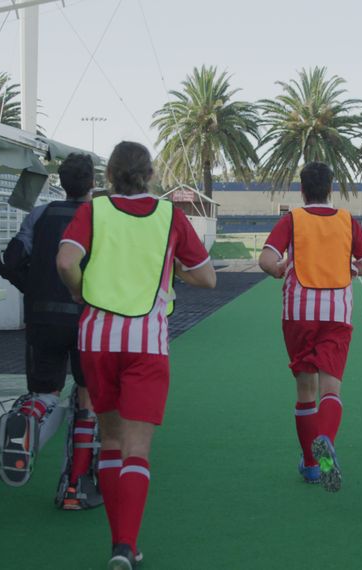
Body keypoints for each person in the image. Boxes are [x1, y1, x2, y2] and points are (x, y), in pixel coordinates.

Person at [57, 141, 216, 570]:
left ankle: (118, 541)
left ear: (108, 177)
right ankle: (126, 545)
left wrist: (80, 290)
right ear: (149, 175)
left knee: (110, 440)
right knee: (137, 449)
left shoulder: (94, 211)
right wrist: (175, 269)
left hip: (97, 340)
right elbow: (207, 278)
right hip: (146, 342)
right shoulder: (170, 217)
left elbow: (66, 260)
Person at [0, 153, 103, 509]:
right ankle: (74, 489)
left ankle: (28, 417)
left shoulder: (39, 215)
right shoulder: (101, 219)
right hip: (87, 319)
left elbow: (9, 262)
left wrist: (34, 288)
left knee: (44, 390)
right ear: (93, 184)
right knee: (87, 398)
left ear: (61, 181)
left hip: (42, 318)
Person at [258, 161, 362, 492]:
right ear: (331, 189)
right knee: (331, 389)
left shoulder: (292, 219)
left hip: (299, 312)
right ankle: (327, 439)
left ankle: (312, 465)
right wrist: (353, 271)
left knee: (305, 391)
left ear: (302, 190)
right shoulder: (347, 221)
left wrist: (279, 269)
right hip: (337, 311)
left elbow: (267, 259)